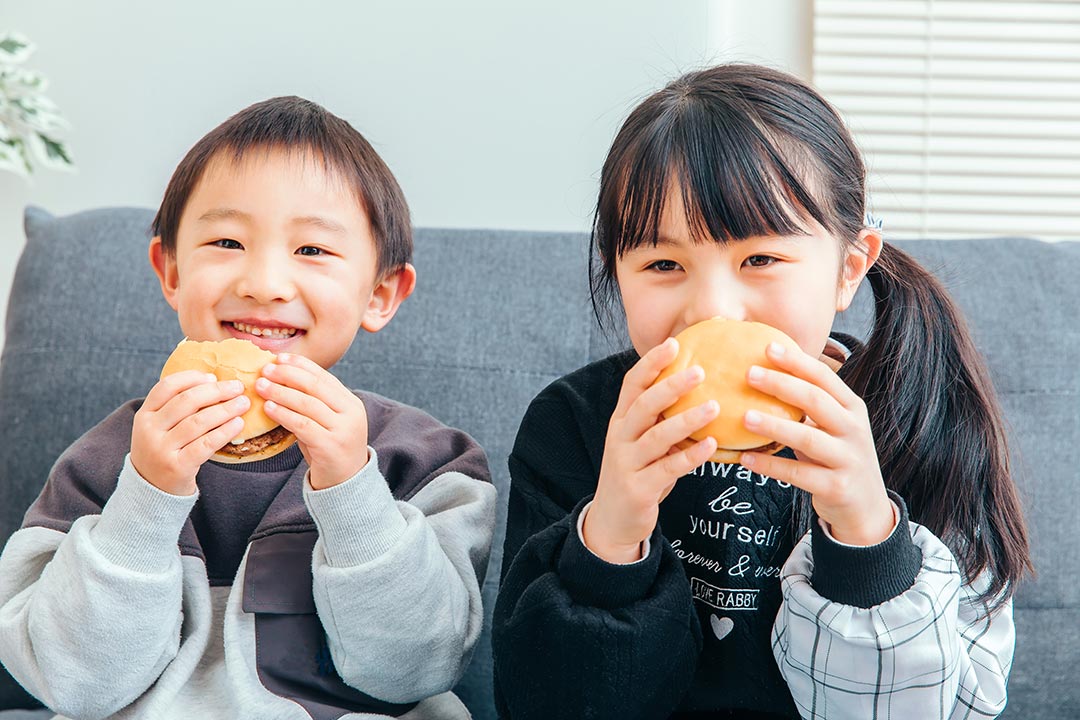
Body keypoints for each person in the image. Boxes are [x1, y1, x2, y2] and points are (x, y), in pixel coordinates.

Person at [492, 64, 1032, 719]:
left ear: (848, 267)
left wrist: (866, 538)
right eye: (664, 265)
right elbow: (541, 706)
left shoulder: (920, 420)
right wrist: (610, 537)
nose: (714, 311)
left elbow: (950, 709)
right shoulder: (574, 424)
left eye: (760, 260)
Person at [0, 96, 496, 720]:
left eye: (312, 250)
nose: (263, 282)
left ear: (380, 293)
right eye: (227, 241)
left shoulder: (426, 463)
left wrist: (352, 490)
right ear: (171, 270)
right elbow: (74, 684)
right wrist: (147, 499)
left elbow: (413, 670)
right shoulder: (101, 466)